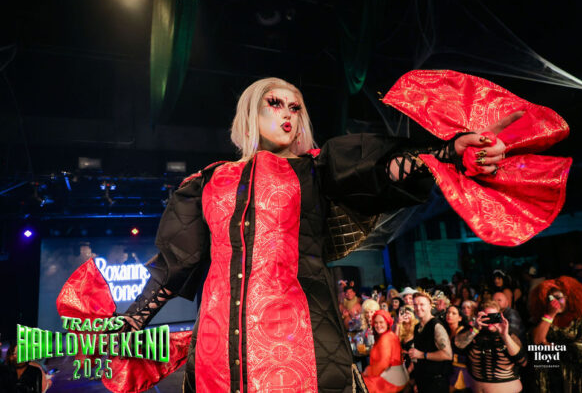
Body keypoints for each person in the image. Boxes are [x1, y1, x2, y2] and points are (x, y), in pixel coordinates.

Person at [59, 73, 540, 393]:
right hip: (218, 354)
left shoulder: (316, 171)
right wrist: (129, 323)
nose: (288, 113)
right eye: (275, 103)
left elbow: (381, 170)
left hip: (302, 346)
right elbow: (176, 266)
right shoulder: (206, 182)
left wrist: (447, 153)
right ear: (251, 111)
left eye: (296, 107)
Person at [530, 276, 582, 393]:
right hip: (556, 378)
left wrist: (551, 346)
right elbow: (537, 341)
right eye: (550, 299)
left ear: (569, 298)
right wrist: (550, 315)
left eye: (558, 298)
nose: (554, 302)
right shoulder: (546, 320)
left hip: (581, 378)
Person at [455, 300, 527, 393]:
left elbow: (522, 361)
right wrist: (475, 329)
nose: (490, 320)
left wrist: (505, 336)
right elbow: (458, 346)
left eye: (494, 316)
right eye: (487, 317)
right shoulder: (472, 333)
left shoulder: (509, 335)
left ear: (500, 316)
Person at [408, 292, 453, 392]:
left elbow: (448, 355)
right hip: (423, 381)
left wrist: (422, 354)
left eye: (422, 304)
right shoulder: (417, 327)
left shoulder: (436, 326)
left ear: (430, 306)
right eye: (415, 305)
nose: (418, 308)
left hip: (436, 383)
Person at [363, 310, 408, 393]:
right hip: (395, 376)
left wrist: (369, 371)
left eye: (381, 322)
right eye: (376, 323)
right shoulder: (388, 335)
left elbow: (383, 364)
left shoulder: (386, 339)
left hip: (391, 380)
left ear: (387, 323)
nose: (378, 325)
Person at [445, 305, 473, 393]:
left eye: (453, 313)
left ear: (460, 318)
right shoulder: (446, 331)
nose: (449, 315)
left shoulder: (464, 331)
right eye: (448, 312)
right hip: (449, 369)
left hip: (461, 371)